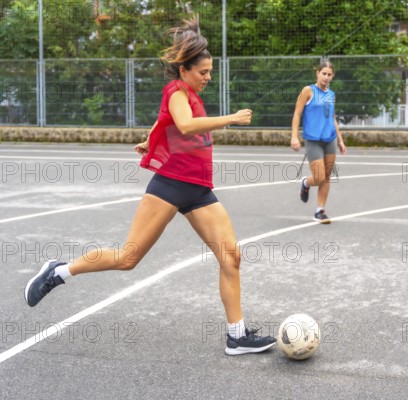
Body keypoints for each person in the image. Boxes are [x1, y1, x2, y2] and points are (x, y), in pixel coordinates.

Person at [24, 16, 276, 356]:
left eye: (210, 71)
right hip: (171, 184)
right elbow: (184, 125)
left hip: (199, 188)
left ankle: (236, 335)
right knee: (129, 258)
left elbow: (166, 121)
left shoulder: (186, 93)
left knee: (231, 256)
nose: (208, 77)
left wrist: (150, 138)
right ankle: (59, 271)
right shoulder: (176, 91)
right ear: (184, 70)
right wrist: (230, 118)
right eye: (203, 72)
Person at [291, 60, 346, 223]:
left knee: (327, 176)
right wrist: (294, 136)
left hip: (330, 139)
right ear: (317, 73)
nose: (326, 77)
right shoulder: (308, 91)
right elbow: (297, 114)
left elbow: (333, 118)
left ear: (333, 76)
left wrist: (341, 140)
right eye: (324, 73)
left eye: (330, 75)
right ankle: (306, 183)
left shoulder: (331, 94)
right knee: (319, 176)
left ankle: (320, 211)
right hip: (313, 140)